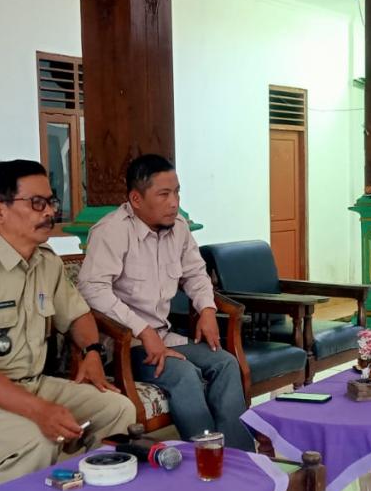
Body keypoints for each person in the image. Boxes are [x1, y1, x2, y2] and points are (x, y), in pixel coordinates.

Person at [0, 160, 136, 482]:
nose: (50, 212)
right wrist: (39, 410)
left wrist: (92, 351)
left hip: (31, 383)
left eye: (51, 201)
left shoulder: (46, 262)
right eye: (37, 203)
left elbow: (77, 315)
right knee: (35, 439)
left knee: (117, 409)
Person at [78, 154, 254, 451]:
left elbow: (196, 273)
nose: (174, 202)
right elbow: (93, 289)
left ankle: (239, 457)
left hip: (163, 336)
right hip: (125, 345)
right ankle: (205, 458)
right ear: (136, 199)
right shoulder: (112, 232)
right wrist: (142, 330)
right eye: (164, 194)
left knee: (225, 363)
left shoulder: (179, 227)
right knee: (185, 375)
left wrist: (207, 309)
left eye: (177, 192)